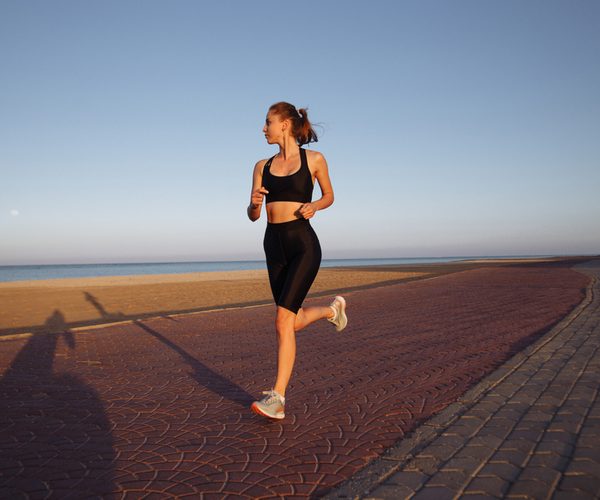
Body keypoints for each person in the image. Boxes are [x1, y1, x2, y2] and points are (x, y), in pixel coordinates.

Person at [247, 101, 348, 420]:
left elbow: (329, 195)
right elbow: (253, 216)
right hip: (272, 244)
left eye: (268, 122)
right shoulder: (261, 166)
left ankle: (277, 398)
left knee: (282, 320)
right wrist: (254, 204)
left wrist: (314, 205)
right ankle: (332, 311)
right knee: (290, 320)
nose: (263, 128)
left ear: (285, 124)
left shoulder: (314, 159)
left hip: (303, 245)